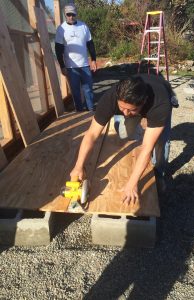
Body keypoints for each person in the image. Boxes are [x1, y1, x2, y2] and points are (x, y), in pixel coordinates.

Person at [70, 75, 177, 204]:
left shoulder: (160, 104)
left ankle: (159, 173)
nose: (125, 113)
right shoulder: (110, 98)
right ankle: (141, 128)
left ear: (144, 102)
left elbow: (146, 150)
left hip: (163, 93)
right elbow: (91, 134)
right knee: (125, 133)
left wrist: (132, 183)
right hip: (137, 98)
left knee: (160, 142)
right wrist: (78, 166)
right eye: (122, 108)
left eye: (131, 110)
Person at [55, 3, 97, 111]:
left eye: (73, 14)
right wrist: (62, 66)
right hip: (71, 67)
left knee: (88, 90)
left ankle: (91, 110)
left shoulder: (83, 27)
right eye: (68, 14)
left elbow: (90, 44)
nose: (71, 17)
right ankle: (79, 111)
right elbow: (58, 50)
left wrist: (93, 60)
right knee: (75, 91)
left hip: (84, 65)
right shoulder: (61, 29)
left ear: (76, 14)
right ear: (65, 15)